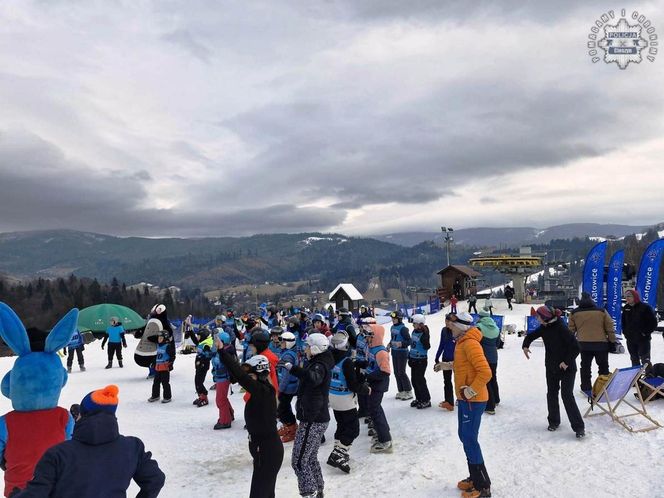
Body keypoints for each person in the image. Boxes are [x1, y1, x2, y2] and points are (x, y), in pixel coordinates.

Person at [16, 385, 165, 498]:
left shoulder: (58, 454)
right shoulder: (133, 447)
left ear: (82, 415)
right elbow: (156, 479)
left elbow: (35, 494)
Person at [219, 353, 284, 498]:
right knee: (265, 493)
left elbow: (241, 376)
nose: (248, 380)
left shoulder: (263, 392)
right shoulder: (261, 391)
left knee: (259, 494)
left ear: (259, 375)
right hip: (263, 451)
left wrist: (223, 352)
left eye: (251, 376)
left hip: (268, 452)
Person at [282, 334, 334, 498]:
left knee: (298, 461)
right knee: (309, 459)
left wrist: (294, 369)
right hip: (315, 418)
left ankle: (309, 493)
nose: (304, 349)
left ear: (315, 348)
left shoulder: (319, 365)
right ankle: (318, 491)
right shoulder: (318, 362)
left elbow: (313, 379)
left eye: (307, 346)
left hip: (313, 419)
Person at [447, 311, 492, 498]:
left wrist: (471, 391)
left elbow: (485, 372)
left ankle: (483, 486)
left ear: (461, 327)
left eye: (452, 325)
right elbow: (464, 366)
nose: (449, 327)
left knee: (470, 439)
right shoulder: (461, 343)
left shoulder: (471, 344)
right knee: (464, 436)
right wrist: (446, 365)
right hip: (465, 399)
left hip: (474, 400)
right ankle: (474, 477)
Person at [522, 306, 585, 438]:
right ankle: (554, 421)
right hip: (551, 367)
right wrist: (525, 346)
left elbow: (576, 347)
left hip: (567, 368)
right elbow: (531, 336)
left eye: (538, 316)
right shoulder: (544, 327)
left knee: (566, 395)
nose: (536, 318)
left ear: (544, 317)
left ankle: (579, 427)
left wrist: (566, 361)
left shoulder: (561, 328)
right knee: (551, 394)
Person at [326, 330, 370, 474]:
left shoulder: (330, 357)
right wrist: (366, 389)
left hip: (332, 396)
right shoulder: (346, 362)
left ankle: (338, 449)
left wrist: (357, 363)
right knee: (353, 428)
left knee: (341, 424)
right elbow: (353, 385)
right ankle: (338, 454)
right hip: (345, 398)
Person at [568, 292, 617, 396]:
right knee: (603, 366)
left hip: (583, 344)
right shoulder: (601, 311)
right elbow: (610, 327)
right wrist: (612, 341)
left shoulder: (574, 313)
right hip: (601, 344)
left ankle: (586, 388)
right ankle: (603, 387)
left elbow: (571, 331)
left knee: (585, 367)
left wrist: (570, 344)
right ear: (591, 300)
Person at [362, 323, 393, 453]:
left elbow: (385, 371)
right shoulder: (371, 348)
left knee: (374, 409)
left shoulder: (381, 352)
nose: (366, 339)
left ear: (375, 337)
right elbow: (369, 362)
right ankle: (382, 432)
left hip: (378, 384)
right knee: (374, 408)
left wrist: (369, 377)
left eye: (368, 336)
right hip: (373, 382)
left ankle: (385, 440)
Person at [622, 289, 658, 367]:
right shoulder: (626, 308)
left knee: (645, 359)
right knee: (634, 359)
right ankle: (636, 378)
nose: (627, 298)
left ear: (635, 297)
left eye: (629, 296)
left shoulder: (645, 307)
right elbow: (623, 322)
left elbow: (653, 323)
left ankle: (649, 376)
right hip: (631, 339)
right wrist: (625, 332)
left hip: (643, 339)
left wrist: (645, 333)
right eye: (626, 296)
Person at [277, 331, 300, 443]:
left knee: (283, 409)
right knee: (283, 408)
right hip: (285, 386)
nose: (280, 343)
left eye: (282, 341)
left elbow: (287, 375)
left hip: (287, 388)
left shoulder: (288, 356)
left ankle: (292, 430)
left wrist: (280, 389)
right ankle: (289, 426)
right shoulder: (286, 353)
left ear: (288, 343)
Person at [476, 310, 500, 415]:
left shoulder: (479, 327)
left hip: (483, 357)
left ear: (480, 317)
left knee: (486, 380)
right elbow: (498, 343)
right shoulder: (496, 327)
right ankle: (496, 399)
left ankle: (490, 406)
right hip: (494, 357)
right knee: (493, 377)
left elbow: (476, 342)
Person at [211, 332, 235, 429]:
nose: (214, 342)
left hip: (223, 378)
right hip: (221, 377)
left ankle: (225, 421)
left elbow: (218, 362)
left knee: (220, 400)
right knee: (223, 398)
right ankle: (229, 414)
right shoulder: (221, 351)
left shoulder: (224, 353)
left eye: (216, 341)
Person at [386, 310, 413, 401]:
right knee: (396, 372)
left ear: (400, 319)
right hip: (395, 352)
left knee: (401, 372)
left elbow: (409, 341)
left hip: (402, 352)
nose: (393, 320)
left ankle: (408, 391)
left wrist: (401, 344)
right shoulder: (392, 327)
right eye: (392, 318)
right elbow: (393, 338)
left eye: (395, 318)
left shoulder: (403, 329)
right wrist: (389, 344)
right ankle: (401, 391)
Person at [408, 314, 431, 409]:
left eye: (414, 324)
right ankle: (419, 398)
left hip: (421, 360)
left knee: (420, 380)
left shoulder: (423, 333)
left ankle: (426, 399)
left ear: (420, 324)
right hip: (414, 359)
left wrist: (425, 338)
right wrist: (410, 357)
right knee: (414, 380)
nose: (413, 325)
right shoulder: (414, 331)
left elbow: (427, 346)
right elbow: (413, 345)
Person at [434, 319, 456, 411]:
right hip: (446, 359)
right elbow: (441, 344)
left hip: (456, 359)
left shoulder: (457, 331)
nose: (446, 323)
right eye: (445, 321)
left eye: (448, 321)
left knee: (459, 380)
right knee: (447, 381)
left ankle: (462, 399)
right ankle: (449, 401)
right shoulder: (444, 330)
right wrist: (437, 357)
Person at [188, 327, 214, 407]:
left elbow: (209, 355)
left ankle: (204, 397)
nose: (198, 338)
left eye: (199, 336)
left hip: (203, 366)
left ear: (203, 336)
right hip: (199, 365)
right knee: (197, 381)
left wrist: (202, 359)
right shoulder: (201, 342)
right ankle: (200, 396)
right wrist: (191, 331)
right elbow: (195, 340)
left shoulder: (206, 345)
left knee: (199, 382)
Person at [148, 330, 175, 403]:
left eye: (161, 338)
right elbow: (157, 356)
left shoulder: (168, 346)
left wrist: (170, 364)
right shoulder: (159, 346)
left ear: (165, 338)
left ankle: (167, 397)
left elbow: (172, 356)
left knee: (165, 383)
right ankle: (155, 395)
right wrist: (153, 363)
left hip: (165, 367)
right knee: (156, 382)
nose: (159, 339)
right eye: (158, 338)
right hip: (158, 368)